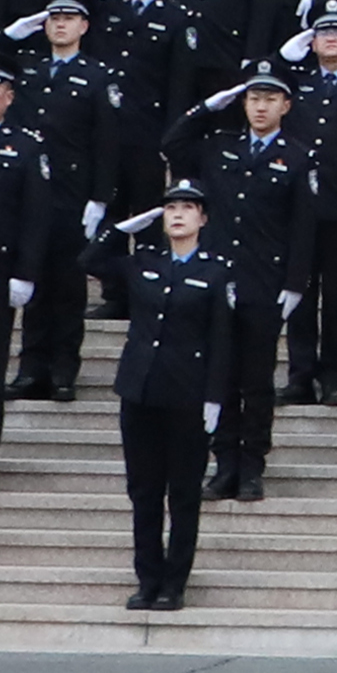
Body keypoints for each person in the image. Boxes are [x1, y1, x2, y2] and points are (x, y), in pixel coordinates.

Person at [96, 182, 245, 612]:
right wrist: (120, 229)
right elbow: (90, 261)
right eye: (170, 208)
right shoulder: (144, 262)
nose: (177, 215)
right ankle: (147, 578)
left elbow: (222, 340)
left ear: (203, 218)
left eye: (187, 208)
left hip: (187, 393)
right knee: (143, 491)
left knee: (182, 493)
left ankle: (175, 581)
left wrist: (216, 398)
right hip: (139, 390)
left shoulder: (217, 271)